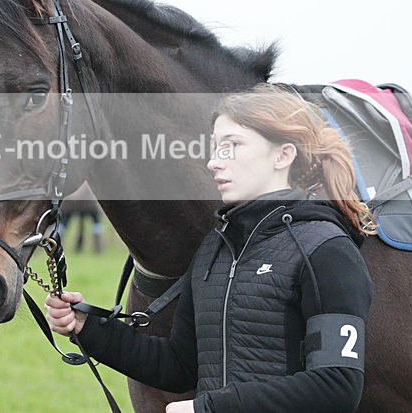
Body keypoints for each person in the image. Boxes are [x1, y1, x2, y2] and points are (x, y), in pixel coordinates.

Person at [46, 84, 375, 412]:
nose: (214, 162)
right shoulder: (213, 249)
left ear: (283, 155)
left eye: (232, 146)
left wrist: (211, 408)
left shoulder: (327, 250)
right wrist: (88, 328)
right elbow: (179, 365)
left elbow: (337, 385)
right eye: (216, 148)